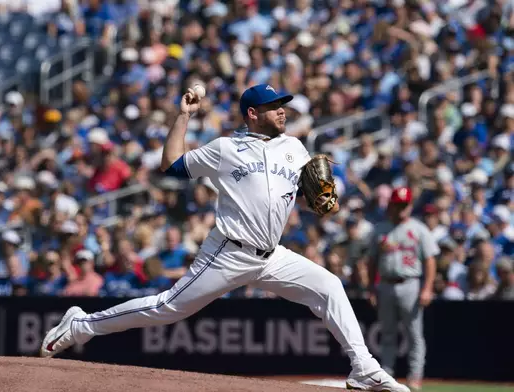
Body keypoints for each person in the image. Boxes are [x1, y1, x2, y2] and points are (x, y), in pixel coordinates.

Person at [40, 84, 410, 392]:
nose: (282, 111)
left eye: (282, 106)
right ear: (252, 113)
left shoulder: (295, 148)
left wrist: (324, 198)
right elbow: (172, 163)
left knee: (329, 286)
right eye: (273, 106)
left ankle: (363, 366)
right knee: (166, 308)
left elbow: (312, 194)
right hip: (228, 253)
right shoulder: (224, 149)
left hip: (272, 256)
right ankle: (79, 325)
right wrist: (183, 115)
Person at [367, 187, 439, 391]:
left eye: (404, 205)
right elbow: (371, 262)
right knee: (387, 333)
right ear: (391, 205)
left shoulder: (419, 229)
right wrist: (371, 288)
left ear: (409, 206)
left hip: (410, 284)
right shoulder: (380, 229)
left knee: (414, 334)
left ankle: (415, 377)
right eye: (397, 204)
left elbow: (430, 261)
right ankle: (387, 375)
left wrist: (427, 288)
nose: (401, 209)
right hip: (386, 284)